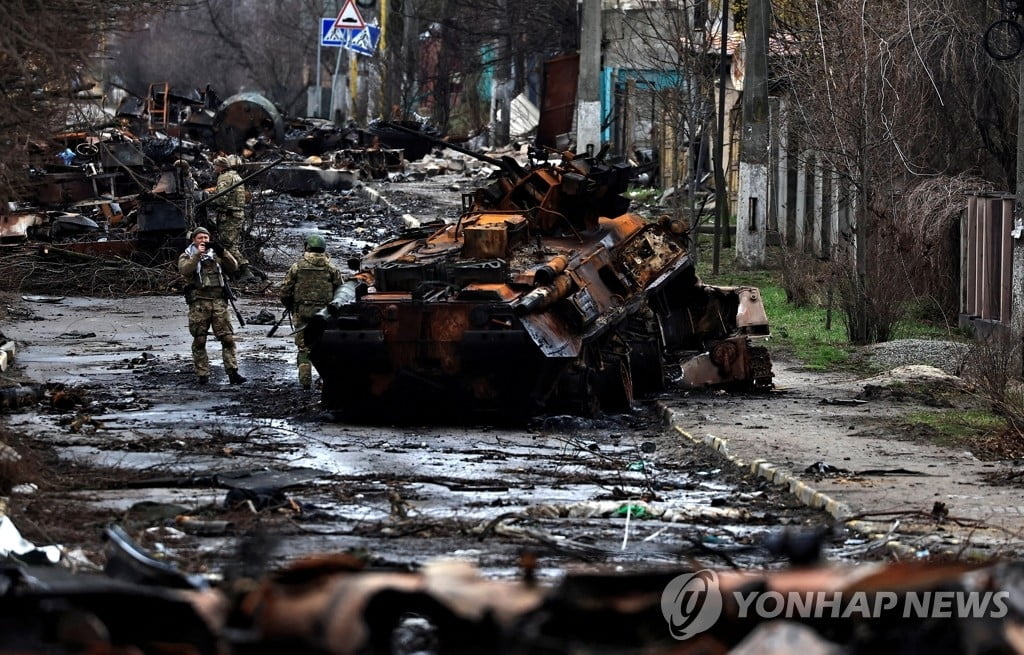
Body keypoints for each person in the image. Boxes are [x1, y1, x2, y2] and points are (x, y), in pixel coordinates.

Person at [177, 227, 246, 385]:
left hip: (218, 301)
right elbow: (185, 270)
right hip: (199, 303)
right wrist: (197, 255)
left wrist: (223, 252)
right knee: (200, 339)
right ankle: (203, 374)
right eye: (200, 238)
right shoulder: (187, 254)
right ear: (194, 240)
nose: (203, 241)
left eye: (206, 238)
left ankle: (233, 372)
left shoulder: (216, 255)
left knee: (227, 338)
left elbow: (234, 267)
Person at [279, 233, 344, 391]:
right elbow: (340, 290)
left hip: (302, 313)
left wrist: (290, 305)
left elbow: (285, 290)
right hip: (324, 315)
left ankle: (305, 382)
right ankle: (326, 381)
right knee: (324, 347)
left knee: (303, 348)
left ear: (307, 247)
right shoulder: (331, 268)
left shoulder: (297, 266)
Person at [208, 155, 255, 283]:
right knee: (233, 244)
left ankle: (244, 270)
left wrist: (210, 200)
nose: (213, 168)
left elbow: (222, 198)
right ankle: (237, 271)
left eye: (215, 166)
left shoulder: (223, 177)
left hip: (228, 216)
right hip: (238, 215)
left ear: (220, 167)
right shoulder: (236, 176)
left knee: (228, 245)